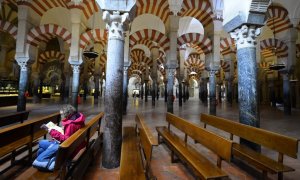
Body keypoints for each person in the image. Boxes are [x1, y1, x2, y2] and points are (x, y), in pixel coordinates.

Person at [32, 104, 85, 171]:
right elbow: (70, 134)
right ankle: (51, 159)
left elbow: (66, 140)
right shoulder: (77, 119)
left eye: (61, 114)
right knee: (41, 149)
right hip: (76, 144)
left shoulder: (71, 124)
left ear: (67, 114)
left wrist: (51, 131)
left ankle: (50, 162)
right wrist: (62, 129)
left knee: (41, 143)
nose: (61, 116)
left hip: (68, 148)